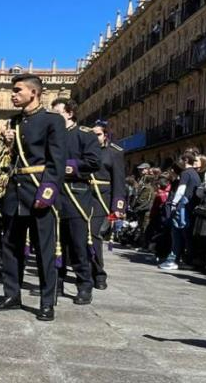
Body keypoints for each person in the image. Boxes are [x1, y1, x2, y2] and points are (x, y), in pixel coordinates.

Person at [0, 74, 66, 322]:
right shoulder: (14, 122)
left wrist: (47, 191)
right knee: (11, 246)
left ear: (34, 93)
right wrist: (7, 144)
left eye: (17, 90)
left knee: (44, 249)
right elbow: (5, 161)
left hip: (38, 187)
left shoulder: (52, 121)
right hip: (15, 191)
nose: (12, 94)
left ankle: (47, 301)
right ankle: (12, 294)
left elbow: (56, 162)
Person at [49, 97, 100, 305]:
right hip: (53, 194)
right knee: (54, 243)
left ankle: (84, 286)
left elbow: (93, 161)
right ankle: (56, 284)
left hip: (76, 194)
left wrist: (66, 167)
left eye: (58, 113)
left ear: (69, 113)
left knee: (78, 244)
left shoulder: (84, 135)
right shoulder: (50, 136)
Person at [90, 121, 126, 290]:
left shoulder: (114, 153)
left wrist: (117, 208)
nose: (94, 137)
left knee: (94, 234)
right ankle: (84, 270)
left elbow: (119, 182)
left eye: (98, 134)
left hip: (102, 199)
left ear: (105, 135)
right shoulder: (84, 151)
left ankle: (98, 273)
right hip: (83, 197)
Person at [159, 151, 199, 270]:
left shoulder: (186, 173)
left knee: (177, 232)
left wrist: (174, 203)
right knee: (186, 234)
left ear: (186, 160)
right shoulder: (195, 174)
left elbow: (181, 189)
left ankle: (174, 258)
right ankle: (186, 259)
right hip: (190, 206)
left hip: (183, 205)